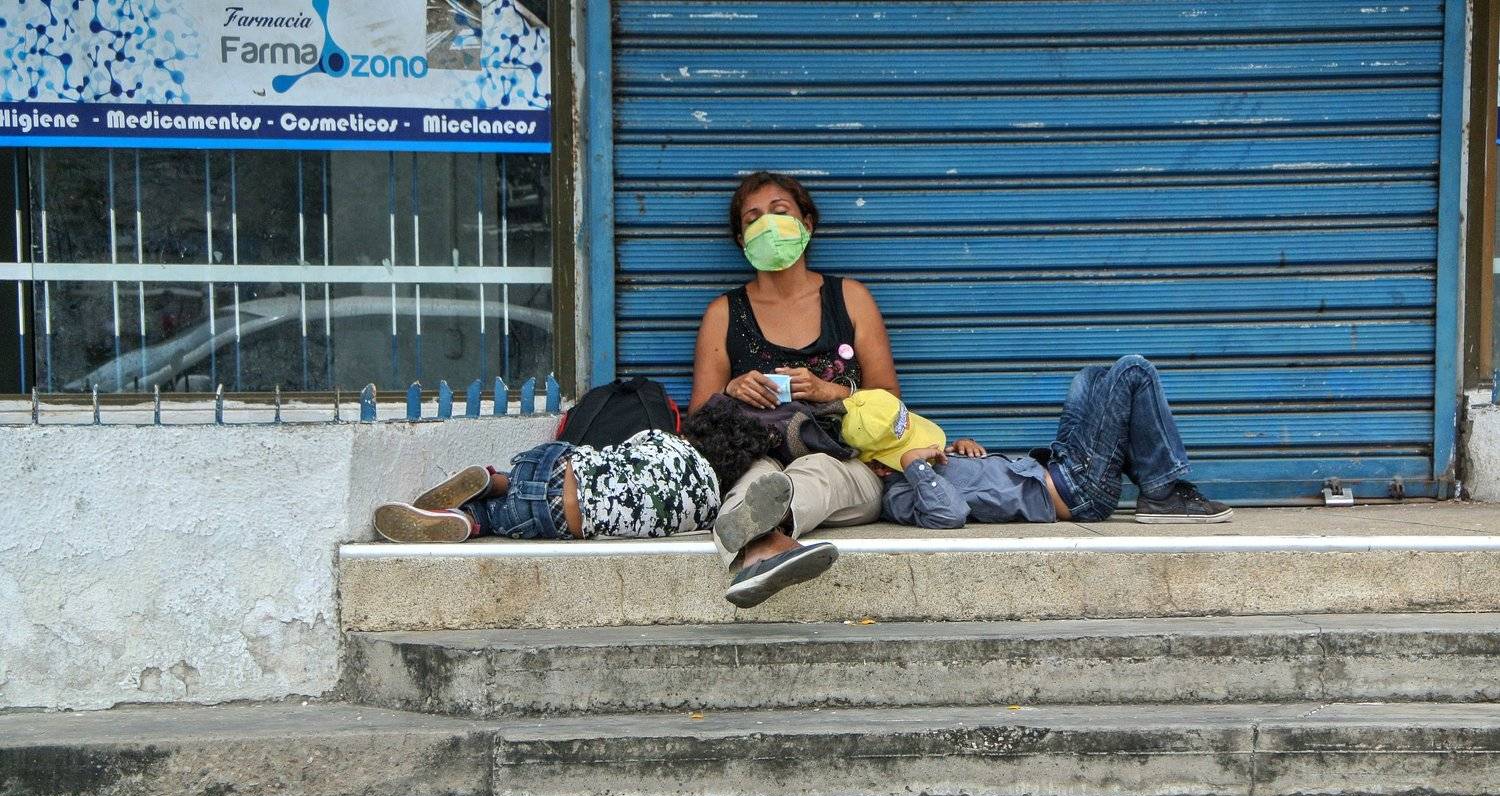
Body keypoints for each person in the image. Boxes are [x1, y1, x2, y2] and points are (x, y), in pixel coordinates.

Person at [690, 170, 902, 608]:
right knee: (756, 476)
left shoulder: (850, 299)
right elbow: (697, 421)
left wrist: (830, 392)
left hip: (845, 464)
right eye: (753, 219)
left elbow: (892, 404)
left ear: (807, 223)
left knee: (814, 471)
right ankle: (769, 548)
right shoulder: (724, 313)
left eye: (779, 212)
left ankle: (758, 534)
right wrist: (731, 388)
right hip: (758, 454)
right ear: (741, 239)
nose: (767, 224)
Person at [841, 357, 1233, 527]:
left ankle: (1149, 479)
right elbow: (950, 514)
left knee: (1091, 378)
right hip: (1079, 494)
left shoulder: (925, 461)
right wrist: (915, 464)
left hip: (1057, 466)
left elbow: (974, 479)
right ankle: (1163, 492)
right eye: (905, 450)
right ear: (879, 466)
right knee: (1133, 371)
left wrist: (961, 448)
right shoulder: (900, 495)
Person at [371, 398, 774, 542]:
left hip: (549, 467)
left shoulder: (665, 439)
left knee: (573, 458)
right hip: (556, 520)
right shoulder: (708, 511)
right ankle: (470, 520)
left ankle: (493, 480)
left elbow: (619, 454)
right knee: (499, 519)